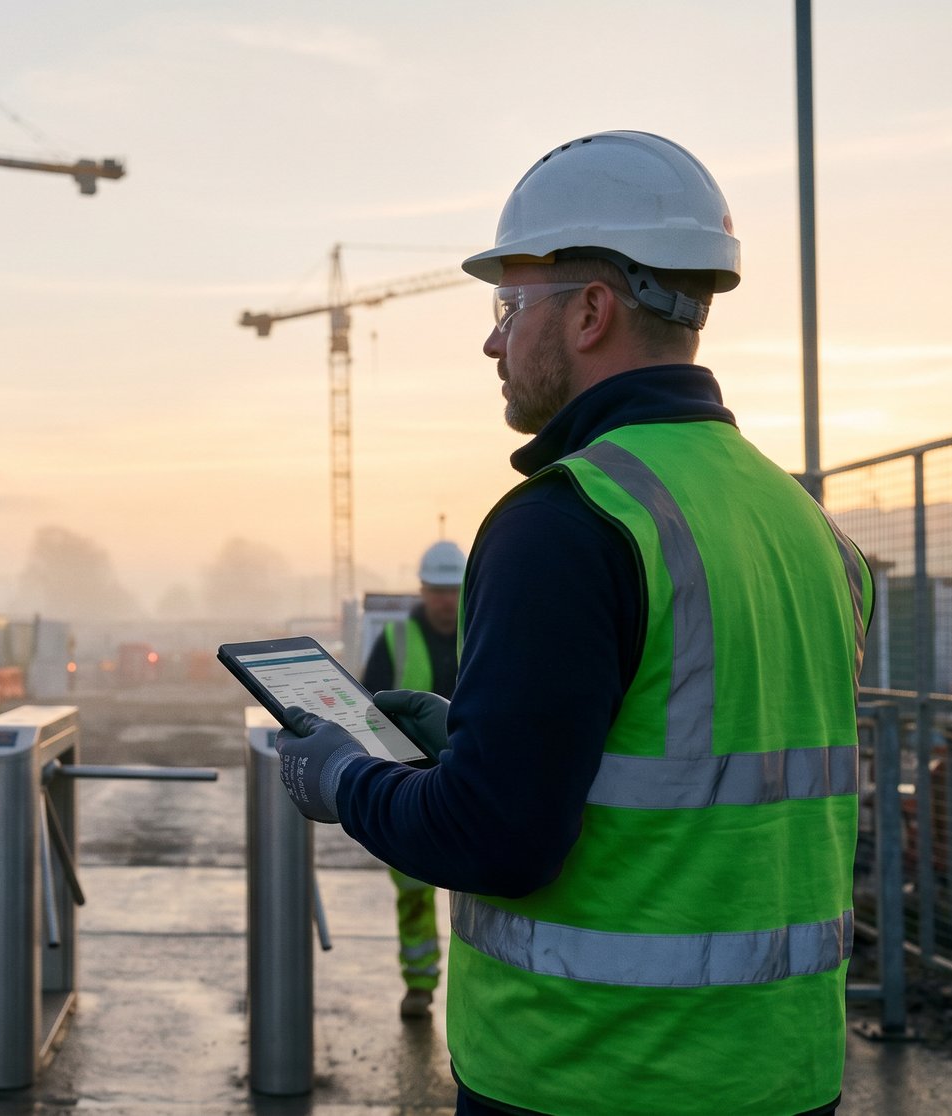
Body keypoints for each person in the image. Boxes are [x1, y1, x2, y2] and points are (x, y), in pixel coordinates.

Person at [273, 131, 873, 1116]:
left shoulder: (566, 521)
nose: (491, 339)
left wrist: (343, 779)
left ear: (590, 311)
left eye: (508, 306)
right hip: (781, 1073)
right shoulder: (804, 527)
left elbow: (495, 839)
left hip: (590, 1074)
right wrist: (461, 743)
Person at [358, 538, 465, 1020]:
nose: (445, 600)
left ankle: (468, 996)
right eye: (437, 590)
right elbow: (367, 708)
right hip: (411, 785)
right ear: (422, 589)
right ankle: (419, 985)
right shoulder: (397, 641)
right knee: (414, 894)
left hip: (471, 783)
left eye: (452, 590)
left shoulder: (484, 633)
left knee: (480, 898)